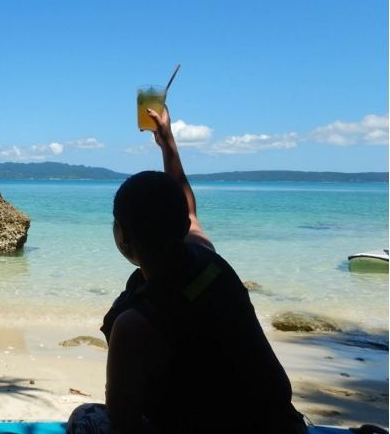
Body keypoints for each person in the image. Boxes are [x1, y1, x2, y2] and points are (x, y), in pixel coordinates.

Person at [68, 106, 307, 434]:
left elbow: (122, 421)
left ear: (122, 237)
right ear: (182, 226)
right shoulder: (209, 262)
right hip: (281, 424)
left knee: (84, 417)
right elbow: (189, 209)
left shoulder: (135, 323)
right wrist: (168, 142)